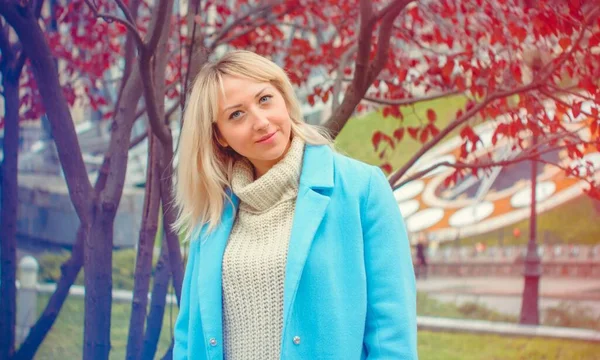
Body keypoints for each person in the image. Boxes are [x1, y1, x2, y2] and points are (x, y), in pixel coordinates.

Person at [172, 50, 417, 360]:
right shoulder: (213, 212)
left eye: (264, 99)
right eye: (236, 114)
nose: (260, 122)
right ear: (219, 135)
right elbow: (188, 335)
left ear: (284, 99)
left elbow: (391, 333)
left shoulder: (361, 189)